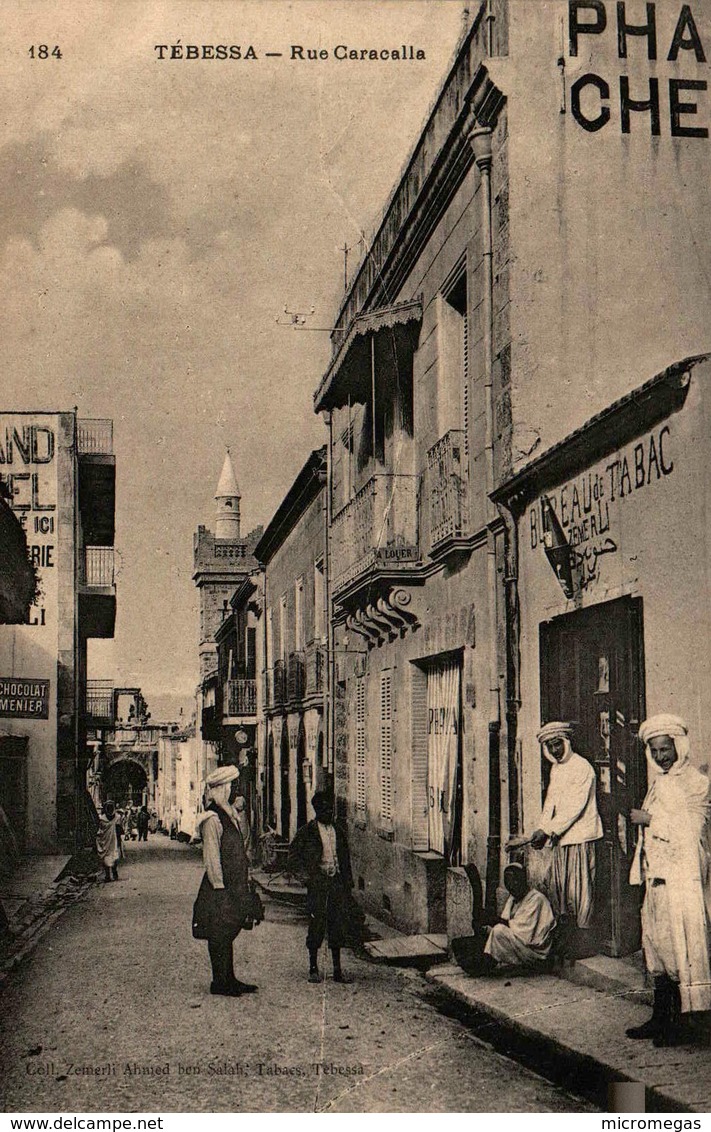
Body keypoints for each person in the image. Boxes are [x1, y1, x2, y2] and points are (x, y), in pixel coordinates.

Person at [626, 714, 711, 1047]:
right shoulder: (660, 782)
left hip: (682, 883)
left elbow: (692, 833)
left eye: (665, 749)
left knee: (680, 952)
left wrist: (651, 819)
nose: (661, 756)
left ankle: (684, 1024)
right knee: (657, 950)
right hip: (657, 878)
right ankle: (660, 1018)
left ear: (678, 746)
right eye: (655, 751)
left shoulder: (695, 783)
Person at [526, 722, 603, 932]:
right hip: (561, 840)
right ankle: (567, 936)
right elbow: (550, 803)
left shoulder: (582, 767)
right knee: (562, 893)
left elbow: (574, 807)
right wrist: (542, 828)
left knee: (580, 893)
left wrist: (548, 831)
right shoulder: (556, 769)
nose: (554, 750)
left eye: (557, 744)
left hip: (581, 838)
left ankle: (583, 936)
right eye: (550, 746)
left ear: (566, 742)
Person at [192, 765, 257, 997]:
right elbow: (212, 857)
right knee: (219, 931)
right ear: (221, 789)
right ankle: (219, 982)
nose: (234, 791)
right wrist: (218, 888)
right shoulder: (212, 819)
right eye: (231, 787)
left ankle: (229, 978)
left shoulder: (229, 815)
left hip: (234, 884)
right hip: (220, 886)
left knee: (228, 930)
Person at [289, 791, 354, 984]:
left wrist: (347, 883)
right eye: (325, 810)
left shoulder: (338, 831)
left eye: (330, 809)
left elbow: (345, 859)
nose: (329, 813)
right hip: (318, 884)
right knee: (316, 923)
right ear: (317, 810)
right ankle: (313, 968)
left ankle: (337, 970)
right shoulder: (307, 832)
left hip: (336, 884)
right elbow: (293, 857)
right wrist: (306, 878)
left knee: (337, 924)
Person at [484, 864, 557, 969]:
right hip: (521, 944)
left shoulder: (537, 899)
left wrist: (493, 920)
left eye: (514, 882)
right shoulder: (513, 898)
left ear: (523, 881)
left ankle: (489, 963)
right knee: (493, 931)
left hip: (535, 952)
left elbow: (523, 933)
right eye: (507, 883)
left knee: (498, 931)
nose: (511, 887)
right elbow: (506, 923)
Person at [96, 800, 120, 882]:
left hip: (114, 840)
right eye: (108, 807)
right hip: (105, 841)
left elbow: (119, 830)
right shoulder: (102, 819)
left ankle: (114, 873)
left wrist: (119, 840)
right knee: (106, 858)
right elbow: (100, 830)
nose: (110, 809)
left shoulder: (117, 817)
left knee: (114, 857)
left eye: (111, 807)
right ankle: (107, 875)